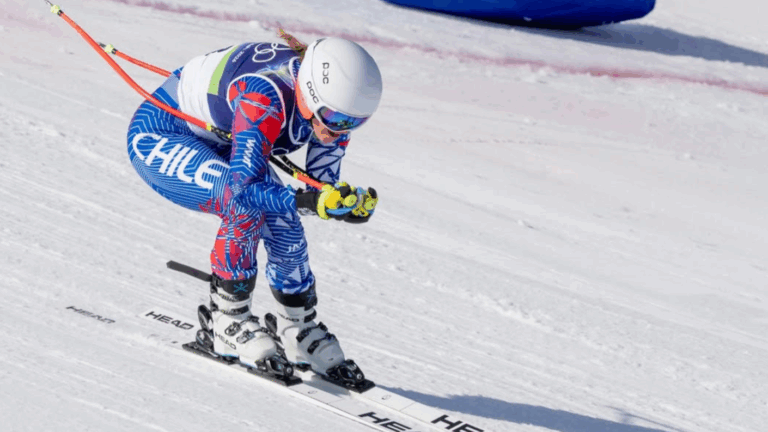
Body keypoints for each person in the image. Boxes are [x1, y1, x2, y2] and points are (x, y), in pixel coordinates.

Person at [126, 31, 382, 383]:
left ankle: (297, 328)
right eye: (335, 118)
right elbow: (243, 190)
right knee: (244, 207)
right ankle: (227, 319)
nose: (339, 130)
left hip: (228, 144)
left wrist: (342, 204)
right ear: (308, 94)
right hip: (163, 135)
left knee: (286, 223)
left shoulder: (333, 110)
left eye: (355, 121)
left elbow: (320, 188)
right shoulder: (265, 98)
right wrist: (307, 200)